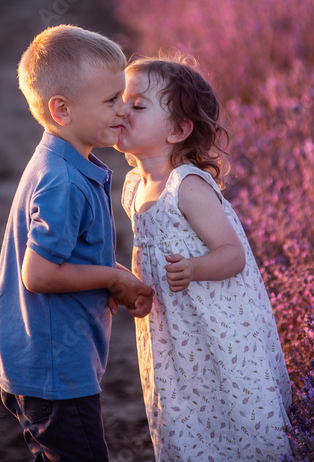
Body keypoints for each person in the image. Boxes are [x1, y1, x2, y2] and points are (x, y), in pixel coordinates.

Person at [115, 55, 292, 462]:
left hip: (216, 330)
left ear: (178, 129)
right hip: (175, 335)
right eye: (119, 101)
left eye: (138, 105)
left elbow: (232, 255)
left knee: (231, 404)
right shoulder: (134, 187)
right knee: (185, 410)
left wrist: (194, 268)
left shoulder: (187, 186)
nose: (123, 111)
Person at [0, 25, 155, 462]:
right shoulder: (62, 182)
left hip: (48, 362)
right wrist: (114, 278)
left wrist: (113, 275)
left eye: (122, 96)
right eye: (109, 101)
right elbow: (39, 273)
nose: (124, 109)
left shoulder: (65, 160)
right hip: (55, 371)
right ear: (61, 109)